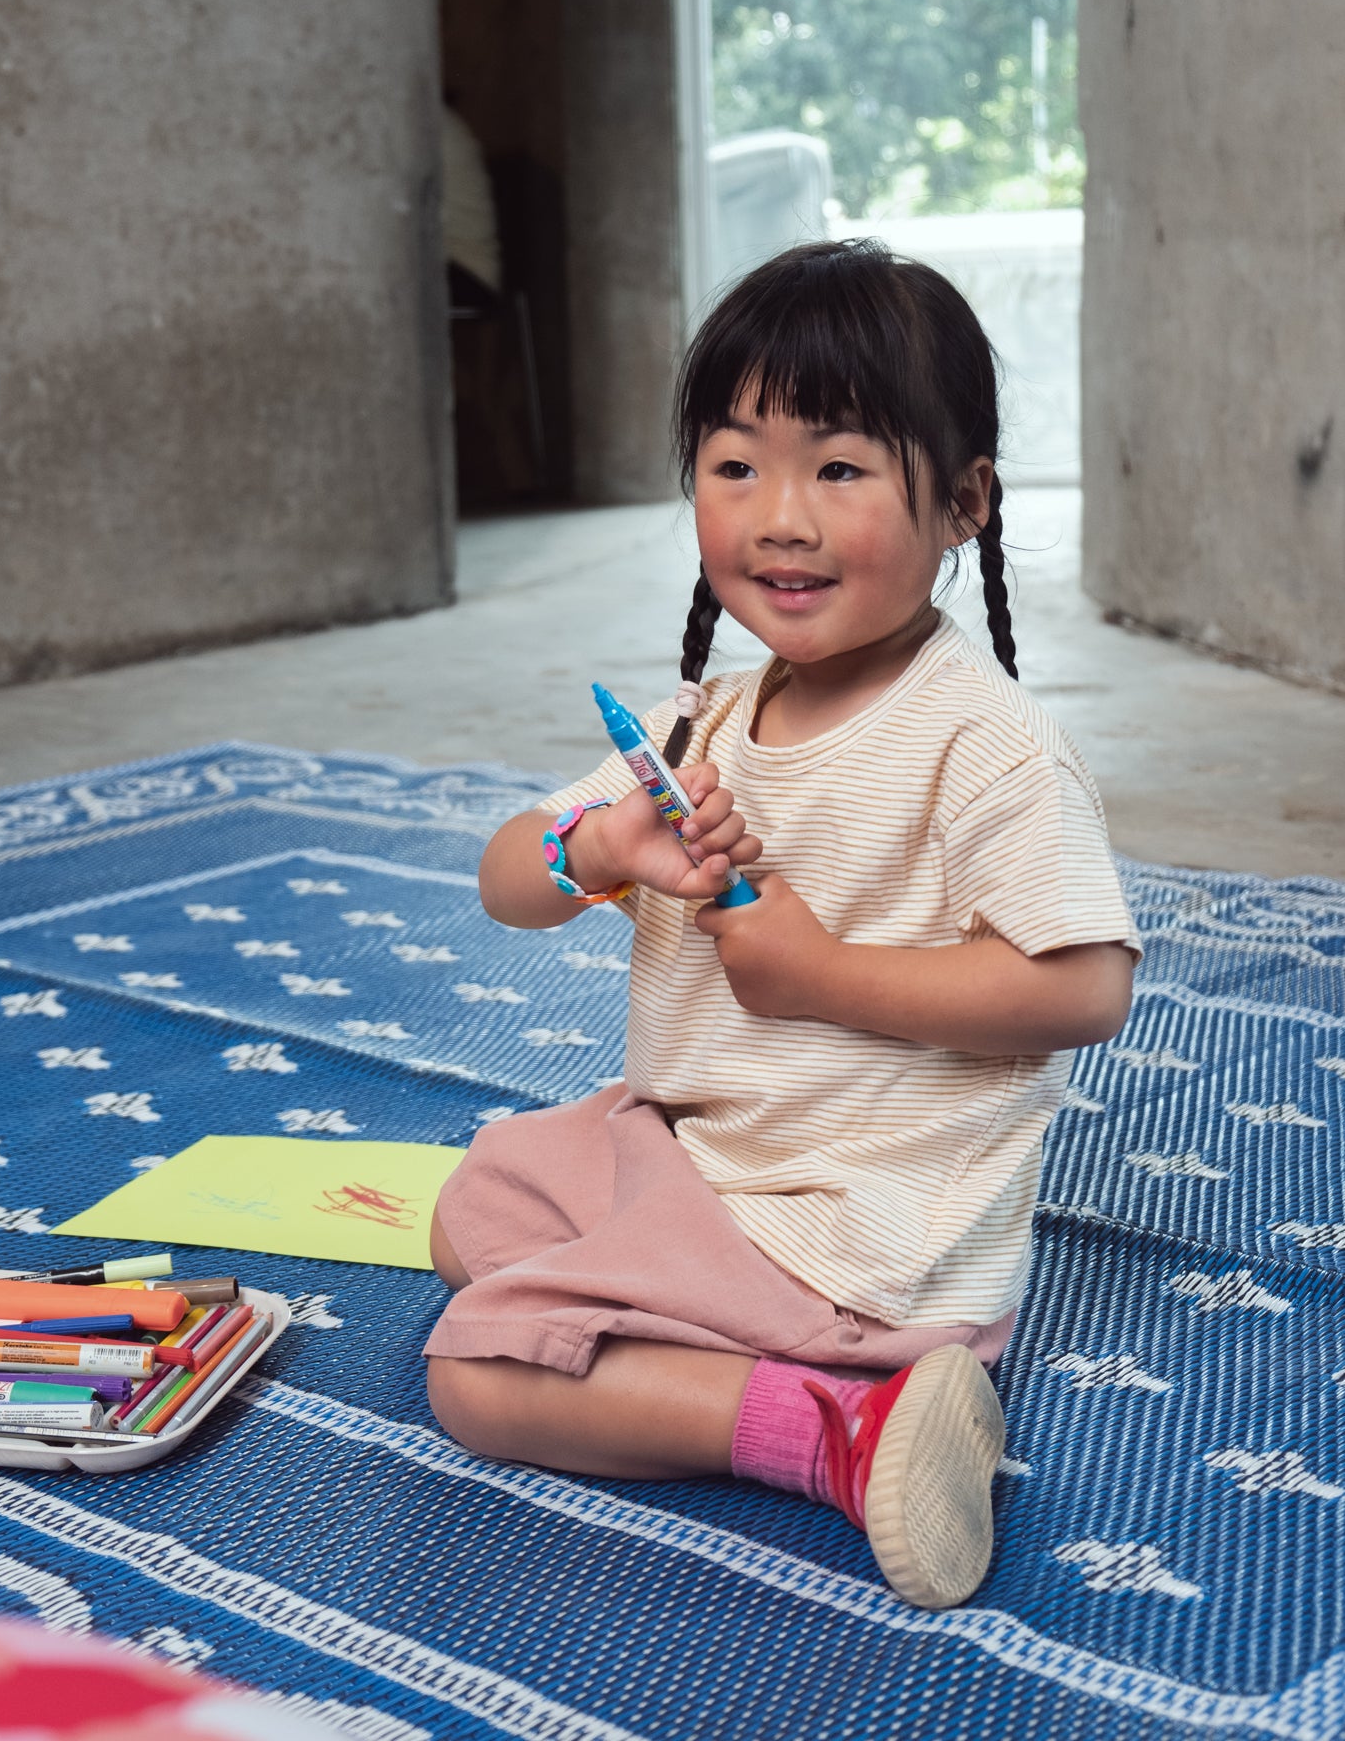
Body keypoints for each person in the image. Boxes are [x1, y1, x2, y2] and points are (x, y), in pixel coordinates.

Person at [423, 238, 1140, 1609]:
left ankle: (841, 1428)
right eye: (735, 464)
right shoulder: (705, 719)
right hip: (713, 1159)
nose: (780, 517)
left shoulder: (983, 745)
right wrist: (602, 847)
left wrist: (819, 976)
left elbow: (1084, 989)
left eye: (840, 467)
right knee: (474, 1208)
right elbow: (501, 881)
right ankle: (700, 1330)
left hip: (858, 1226)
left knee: (477, 1370)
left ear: (963, 504)